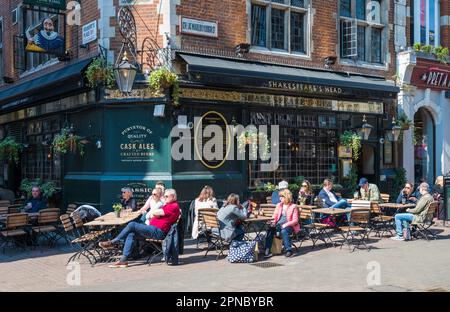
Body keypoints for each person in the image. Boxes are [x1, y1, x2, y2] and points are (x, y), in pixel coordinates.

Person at [99, 189, 181, 268]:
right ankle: (123, 260)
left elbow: (155, 212)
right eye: (164, 196)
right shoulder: (167, 205)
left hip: (158, 232)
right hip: (152, 229)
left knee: (132, 224)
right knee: (132, 233)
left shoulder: (173, 206)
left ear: (173, 197)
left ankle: (114, 242)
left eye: (166, 196)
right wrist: (156, 213)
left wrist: (156, 212)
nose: (164, 198)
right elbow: (155, 213)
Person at [264, 189, 300, 258]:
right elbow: (275, 216)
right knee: (270, 228)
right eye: (279, 196)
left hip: (290, 225)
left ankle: (288, 250)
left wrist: (285, 225)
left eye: (282, 196)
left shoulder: (293, 207)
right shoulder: (279, 205)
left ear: (287, 197)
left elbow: (295, 220)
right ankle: (267, 249)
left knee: (284, 231)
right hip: (279, 224)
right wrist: (273, 222)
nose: (280, 198)